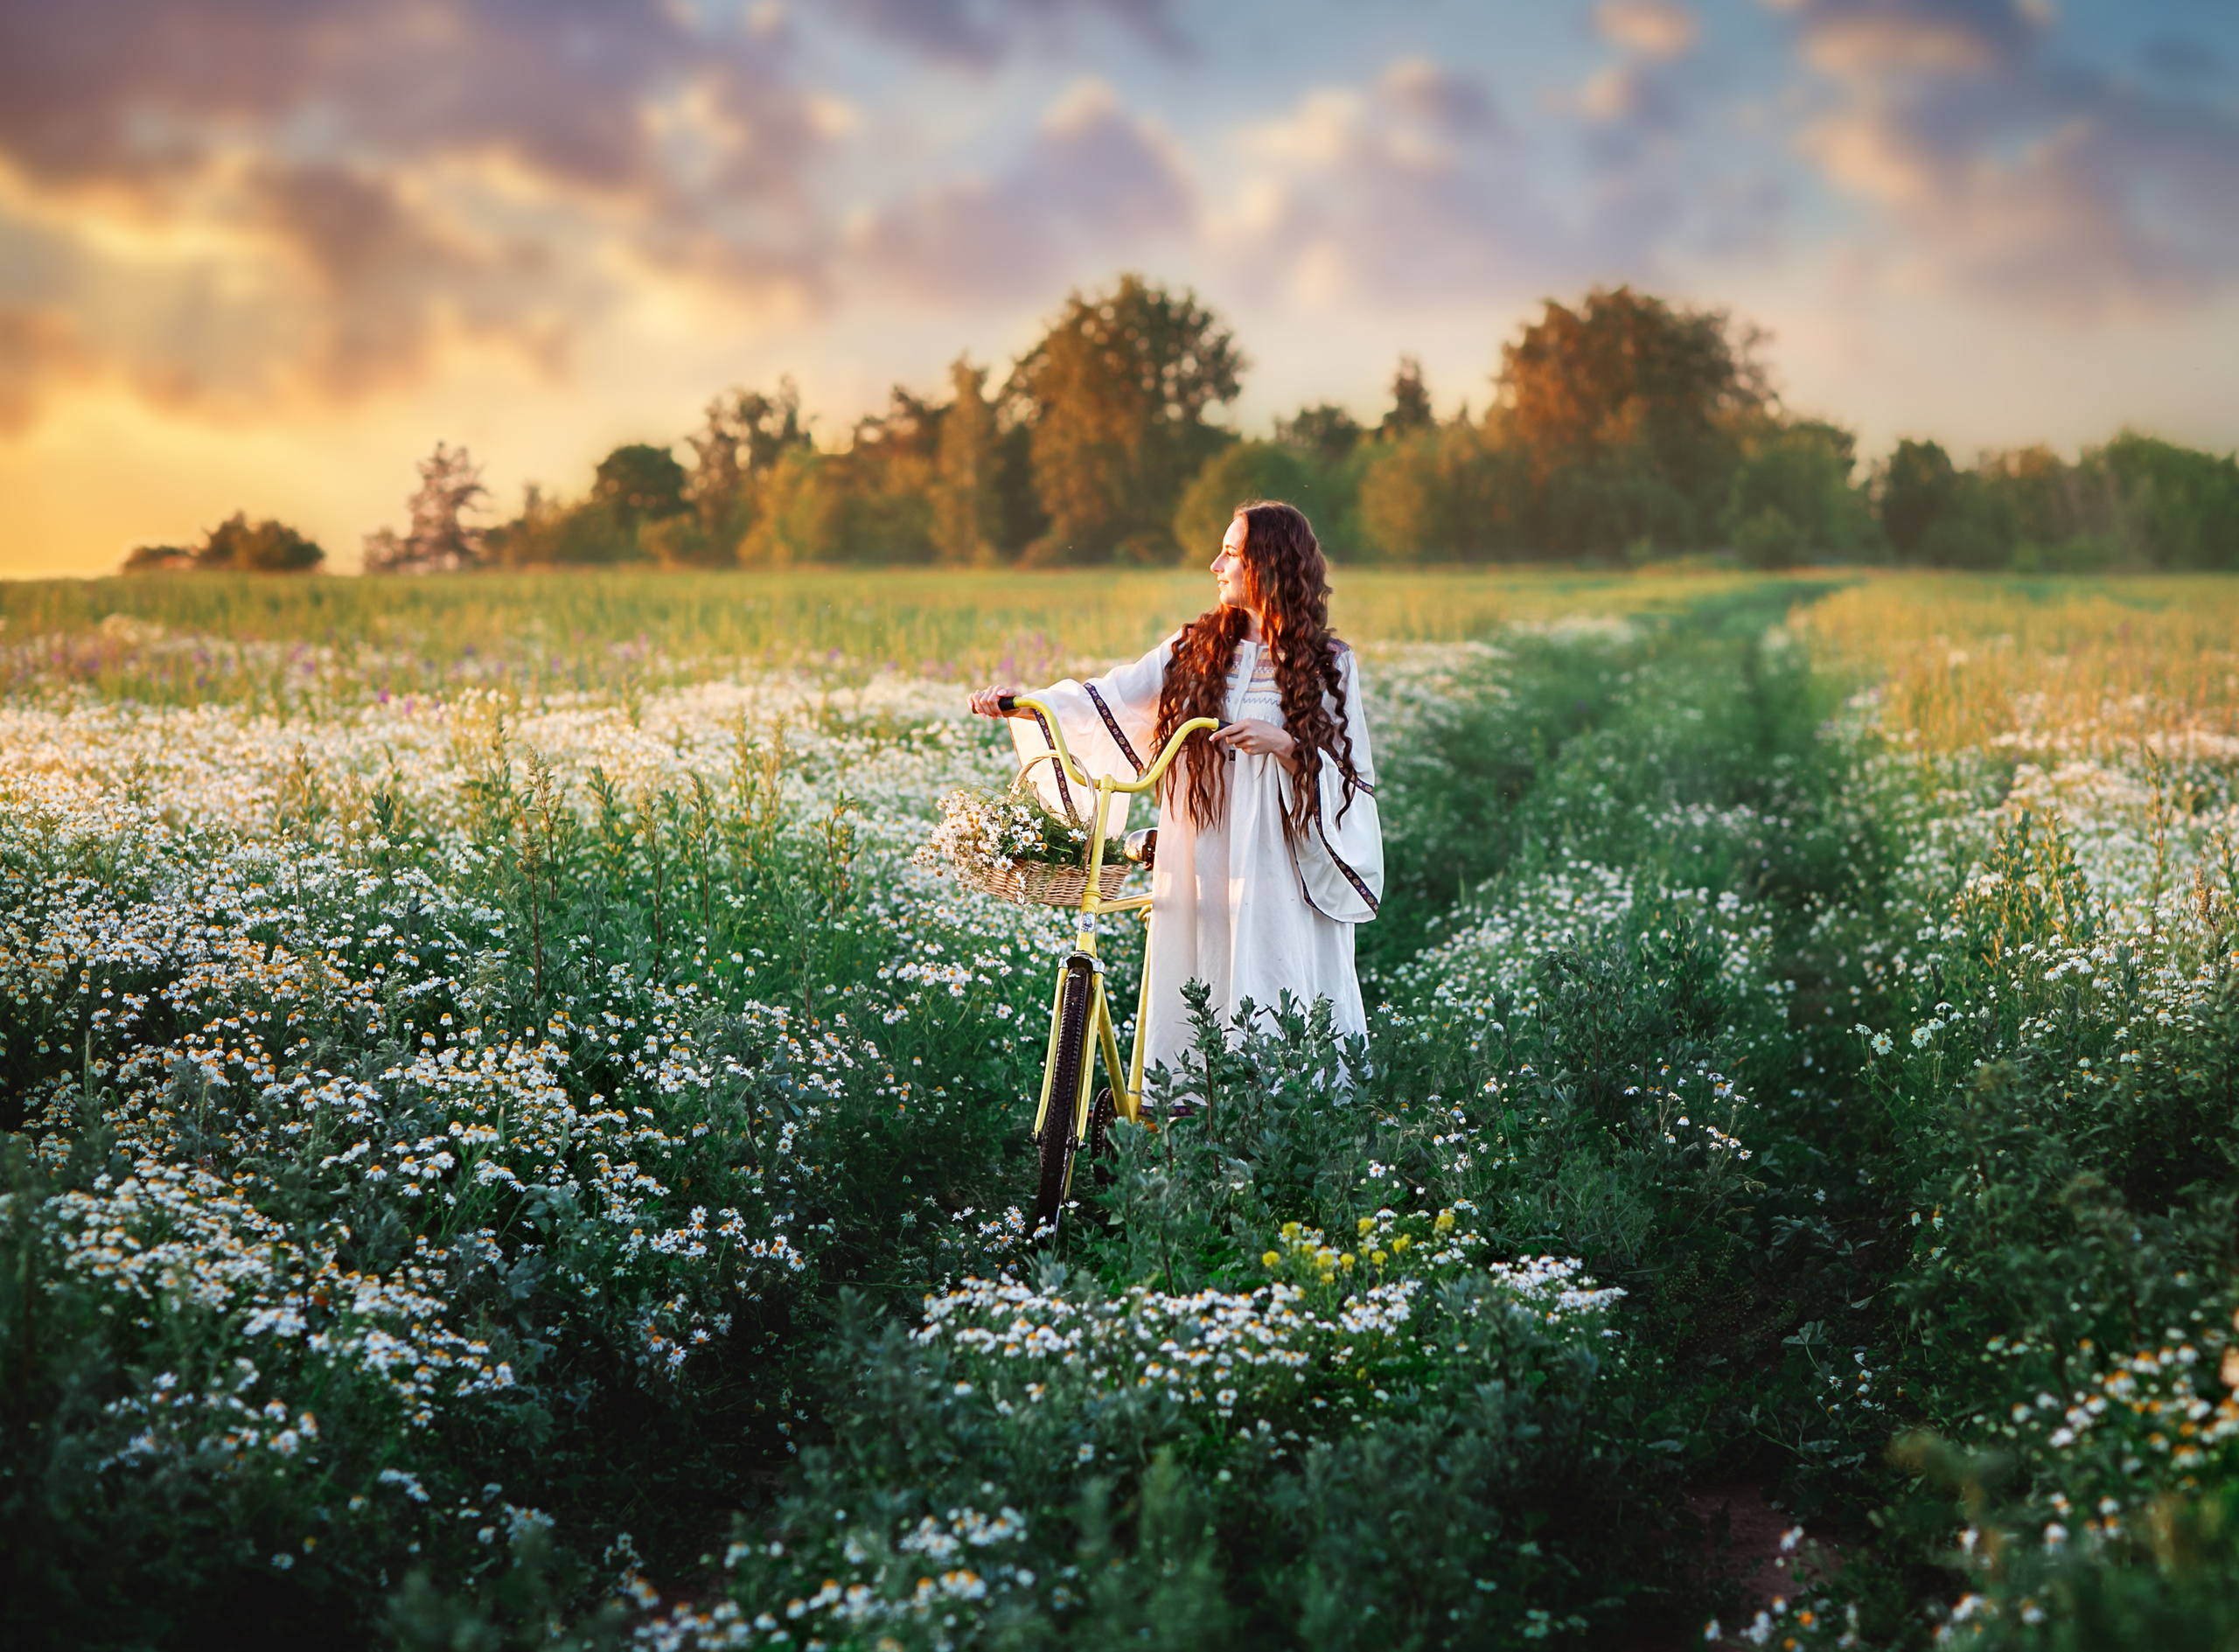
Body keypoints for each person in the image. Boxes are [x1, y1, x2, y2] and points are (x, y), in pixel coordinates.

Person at [969, 500, 1382, 1084]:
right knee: (1199, 982)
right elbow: (1108, 699)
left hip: (1278, 867)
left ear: (1268, 564)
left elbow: (1351, 782)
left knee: (1275, 977)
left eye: (1232, 553)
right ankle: (1187, 1119)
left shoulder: (1328, 666)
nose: (1216, 564)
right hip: (1203, 857)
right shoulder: (1193, 650)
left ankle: (1286, 1128)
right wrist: (1025, 703)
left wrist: (1286, 745)